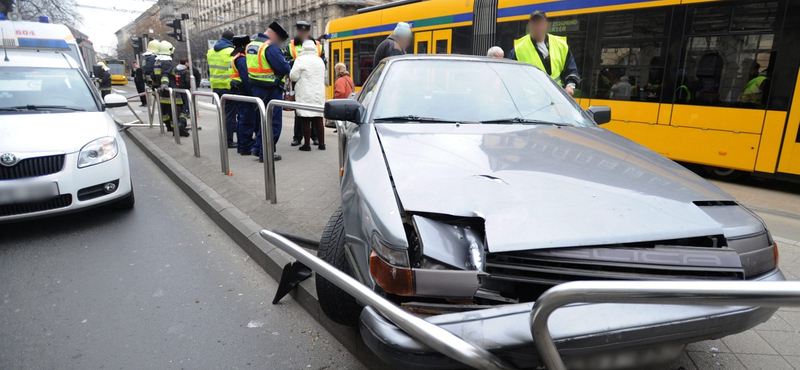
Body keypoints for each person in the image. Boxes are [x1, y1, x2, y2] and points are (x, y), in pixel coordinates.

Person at [246, 21, 291, 162]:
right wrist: (287, 63)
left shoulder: (252, 45)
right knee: (273, 123)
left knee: (262, 120)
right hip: (271, 90)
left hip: (256, 88)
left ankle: (258, 148)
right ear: (275, 35)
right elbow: (284, 68)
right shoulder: (270, 47)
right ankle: (266, 154)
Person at [508, 10, 580, 96]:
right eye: (534, 23)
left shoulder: (560, 45)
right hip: (530, 103)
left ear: (547, 25)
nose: (537, 26)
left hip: (556, 99)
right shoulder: (518, 49)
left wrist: (570, 86)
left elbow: (570, 69)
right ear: (529, 26)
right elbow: (510, 76)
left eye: (540, 23)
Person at [287, 21, 323, 147]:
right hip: (299, 83)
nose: (302, 33)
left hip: (313, 82)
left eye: (305, 31)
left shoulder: (318, 44)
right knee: (300, 113)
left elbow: (323, 61)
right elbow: (286, 60)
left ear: (308, 32)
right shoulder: (291, 45)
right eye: (300, 31)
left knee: (313, 113)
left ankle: (314, 137)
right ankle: (298, 137)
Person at [207, 30, 237, 148]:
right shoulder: (230, 52)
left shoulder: (210, 52)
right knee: (230, 115)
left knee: (223, 114)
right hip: (228, 86)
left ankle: (225, 138)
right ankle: (229, 141)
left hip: (215, 86)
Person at [155, 40, 189, 137]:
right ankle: (179, 128)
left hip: (163, 93)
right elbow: (165, 75)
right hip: (171, 91)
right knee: (181, 111)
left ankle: (172, 128)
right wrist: (165, 84)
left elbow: (154, 76)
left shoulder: (157, 62)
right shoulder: (166, 62)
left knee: (168, 112)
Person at [230, 35, 253, 155]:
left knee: (241, 120)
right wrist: (252, 93)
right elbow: (246, 78)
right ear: (244, 46)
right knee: (247, 120)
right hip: (243, 92)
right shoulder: (242, 59)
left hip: (238, 91)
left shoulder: (235, 57)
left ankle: (242, 145)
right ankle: (245, 146)